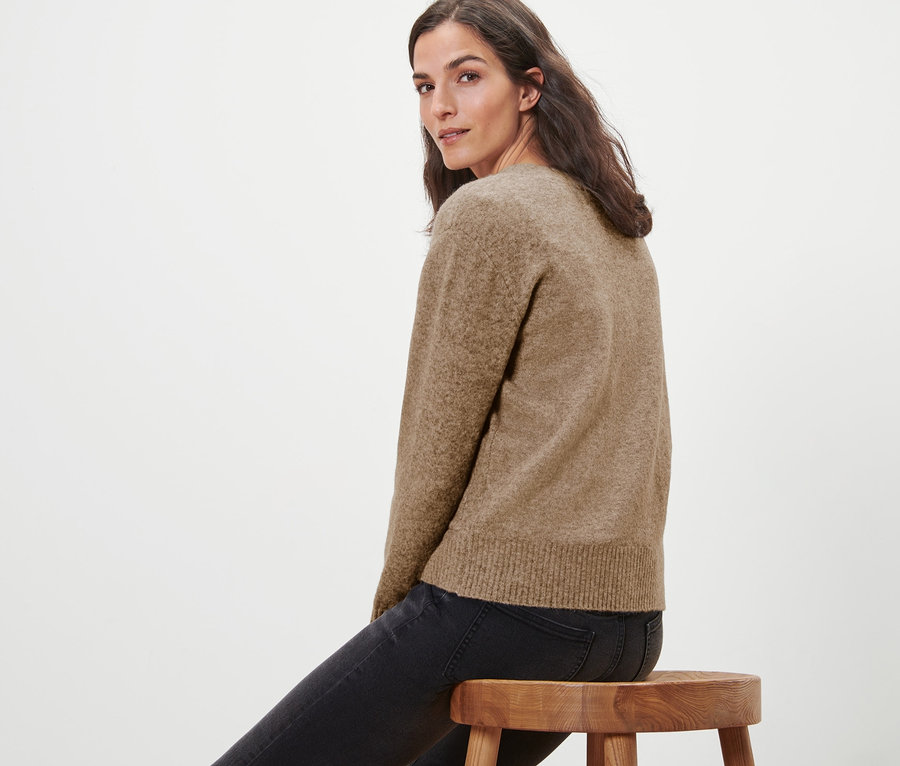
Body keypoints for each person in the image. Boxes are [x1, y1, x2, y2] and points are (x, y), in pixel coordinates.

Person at [211, 0, 669, 763]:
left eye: (466, 77)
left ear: (530, 87)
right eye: (424, 86)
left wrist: (395, 623)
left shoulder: (489, 214)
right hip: (629, 625)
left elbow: (435, 443)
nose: (441, 108)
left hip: (504, 611)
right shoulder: (610, 220)